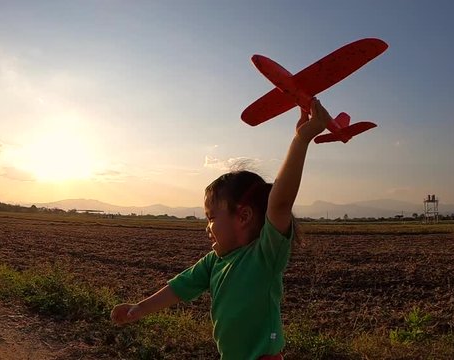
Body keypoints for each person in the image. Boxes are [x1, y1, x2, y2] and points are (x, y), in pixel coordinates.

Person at [111, 99, 332, 359]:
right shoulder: (215, 261)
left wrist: (301, 140)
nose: (207, 227)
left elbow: (280, 203)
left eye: (211, 217)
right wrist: (139, 308)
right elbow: (178, 288)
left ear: (243, 216)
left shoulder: (265, 255)